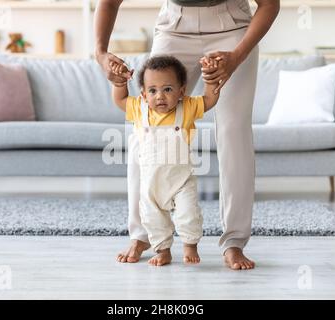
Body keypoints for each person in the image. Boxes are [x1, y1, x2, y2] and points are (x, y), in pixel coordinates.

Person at [95, 0, 280, 270]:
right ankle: (142, 235)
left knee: (234, 130)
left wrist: (236, 57)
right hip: (174, 28)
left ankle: (234, 241)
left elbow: (269, 4)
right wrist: (100, 53)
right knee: (146, 129)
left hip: (233, 30)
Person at [111, 55, 220, 266]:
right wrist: (119, 82)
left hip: (181, 181)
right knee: (153, 218)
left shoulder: (186, 107)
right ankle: (163, 251)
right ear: (143, 94)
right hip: (151, 184)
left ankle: (190, 246)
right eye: (152, 90)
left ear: (181, 91)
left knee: (188, 214)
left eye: (168, 89)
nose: (160, 96)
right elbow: (120, 99)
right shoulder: (139, 109)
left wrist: (211, 79)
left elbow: (209, 100)